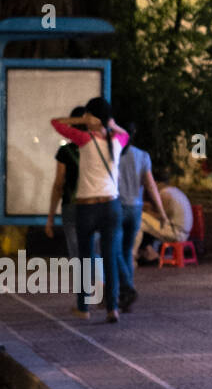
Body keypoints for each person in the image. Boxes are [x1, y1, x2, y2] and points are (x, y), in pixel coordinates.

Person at [51, 98, 128, 323]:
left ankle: (83, 307)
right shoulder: (118, 141)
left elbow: (56, 123)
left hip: (87, 207)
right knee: (110, 257)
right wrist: (109, 123)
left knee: (85, 259)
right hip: (111, 206)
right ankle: (112, 308)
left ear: (92, 117)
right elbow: (125, 133)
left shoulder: (84, 139)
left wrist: (82, 120)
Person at [115, 126, 165, 312]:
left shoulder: (112, 154)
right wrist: (161, 211)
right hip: (135, 209)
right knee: (127, 251)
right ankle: (127, 291)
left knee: (115, 250)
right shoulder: (143, 156)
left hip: (117, 207)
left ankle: (126, 288)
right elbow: (150, 186)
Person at [44, 104, 85, 261]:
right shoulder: (98, 147)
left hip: (71, 205)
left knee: (76, 251)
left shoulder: (65, 151)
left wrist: (51, 217)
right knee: (94, 249)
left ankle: (81, 285)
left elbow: (59, 184)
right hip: (95, 204)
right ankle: (100, 282)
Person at [138, 165, 194, 262]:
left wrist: (144, 210)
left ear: (155, 182)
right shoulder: (174, 191)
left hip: (176, 233)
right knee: (144, 221)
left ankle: (138, 255)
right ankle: (148, 251)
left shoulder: (164, 194)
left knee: (139, 219)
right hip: (182, 232)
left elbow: (160, 217)